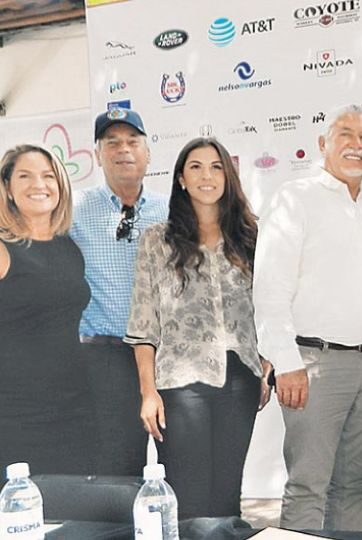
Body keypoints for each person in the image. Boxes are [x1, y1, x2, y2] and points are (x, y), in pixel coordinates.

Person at [253, 104, 362, 531]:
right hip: (314, 364)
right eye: (345, 134)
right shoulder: (295, 199)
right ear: (323, 143)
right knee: (308, 485)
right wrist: (286, 363)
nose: (355, 144)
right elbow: (270, 289)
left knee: (354, 485)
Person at [124, 137, 270, 519]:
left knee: (227, 497)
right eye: (196, 167)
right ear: (181, 179)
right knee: (188, 498)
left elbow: (268, 308)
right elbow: (143, 325)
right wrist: (148, 392)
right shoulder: (157, 240)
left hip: (239, 381)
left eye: (216, 167)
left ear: (228, 176)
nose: (207, 176)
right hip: (179, 385)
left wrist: (267, 363)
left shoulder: (251, 238)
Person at [70, 108, 168, 476]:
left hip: (167, 356)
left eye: (132, 141)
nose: (123, 149)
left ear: (148, 152)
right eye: (112, 142)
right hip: (105, 358)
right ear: (97, 155)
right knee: (116, 469)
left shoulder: (172, 210)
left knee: (181, 465)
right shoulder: (73, 209)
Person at [0, 144, 93, 476]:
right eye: (25, 176)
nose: (38, 184)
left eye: (48, 176)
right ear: (7, 188)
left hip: (74, 407)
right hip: (15, 412)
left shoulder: (69, 246)